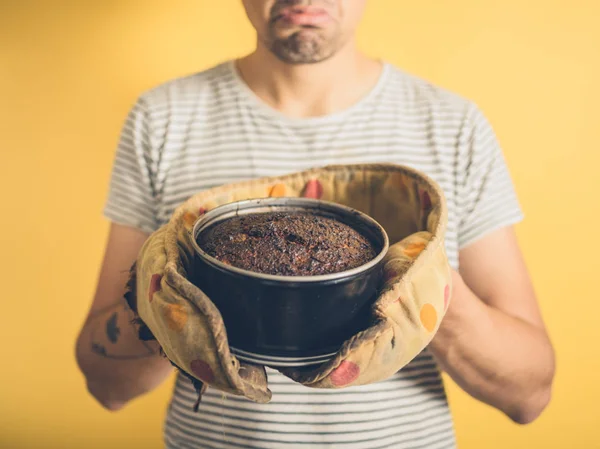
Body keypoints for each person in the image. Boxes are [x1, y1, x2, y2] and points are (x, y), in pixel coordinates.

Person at [75, 1, 556, 447]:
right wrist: (167, 300)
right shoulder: (163, 120)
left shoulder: (453, 127)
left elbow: (529, 394)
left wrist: (418, 287)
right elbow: (105, 383)